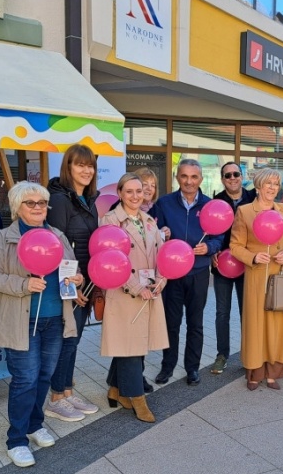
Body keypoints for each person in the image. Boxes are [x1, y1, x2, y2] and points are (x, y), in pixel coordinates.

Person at [0, 182, 83, 468]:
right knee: (25, 379)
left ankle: (34, 424)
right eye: (31, 203)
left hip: (55, 318)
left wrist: (78, 279)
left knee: (43, 376)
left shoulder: (57, 235)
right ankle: (16, 439)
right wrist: (24, 284)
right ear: (17, 207)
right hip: (21, 320)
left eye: (42, 202)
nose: (38, 207)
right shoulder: (5, 238)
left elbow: (73, 270)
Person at [99, 173, 168, 422]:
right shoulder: (110, 221)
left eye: (139, 191)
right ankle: (137, 398)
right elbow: (109, 261)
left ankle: (116, 389)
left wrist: (162, 279)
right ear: (119, 193)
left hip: (150, 290)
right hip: (124, 292)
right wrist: (136, 287)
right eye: (129, 191)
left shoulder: (148, 220)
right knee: (130, 347)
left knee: (135, 344)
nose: (135, 196)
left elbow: (163, 255)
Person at [229, 168, 283, 390]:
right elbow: (235, 245)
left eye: (276, 184)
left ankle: (273, 372)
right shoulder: (244, 211)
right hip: (257, 275)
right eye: (268, 183)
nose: (272, 188)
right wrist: (252, 256)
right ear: (258, 186)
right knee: (256, 324)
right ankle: (254, 372)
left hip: (280, 274)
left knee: (278, 325)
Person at [151, 159, 222, 386]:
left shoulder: (211, 205)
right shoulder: (164, 203)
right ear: (177, 177)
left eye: (193, 177)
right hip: (171, 273)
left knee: (196, 323)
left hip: (199, 272)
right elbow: (152, 234)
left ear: (200, 179)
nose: (189, 181)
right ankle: (167, 367)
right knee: (171, 323)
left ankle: (192, 368)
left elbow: (220, 236)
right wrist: (162, 233)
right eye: (184, 176)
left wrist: (209, 248)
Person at [44, 145, 100, 421]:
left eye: (90, 166)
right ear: (68, 167)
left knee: (74, 340)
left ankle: (66, 391)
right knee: (66, 340)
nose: (86, 170)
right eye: (80, 165)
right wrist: (71, 287)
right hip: (69, 284)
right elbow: (58, 248)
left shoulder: (88, 199)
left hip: (86, 281)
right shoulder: (60, 200)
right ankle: (55, 397)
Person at [210, 161, 256, 375]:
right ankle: (222, 355)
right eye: (227, 175)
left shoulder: (253, 199)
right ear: (223, 179)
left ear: (242, 176)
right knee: (222, 312)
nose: (232, 178)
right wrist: (212, 252)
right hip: (223, 267)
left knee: (247, 312)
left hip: (248, 264)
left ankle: (250, 355)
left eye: (236, 174)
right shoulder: (216, 201)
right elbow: (210, 231)